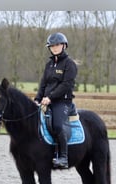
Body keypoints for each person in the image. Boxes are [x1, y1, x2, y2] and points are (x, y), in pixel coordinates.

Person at [34, 32, 78, 169]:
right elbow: (43, 84)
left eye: (57, 45)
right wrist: (37, 99)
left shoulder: (69, 64)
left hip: (62, 102)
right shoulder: (49, 65)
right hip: (46, 100)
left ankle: (63, 157)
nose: (54, 48)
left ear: (64, 45)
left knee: (58, 125)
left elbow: (66, 85)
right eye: (52, 46)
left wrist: (50, 98)